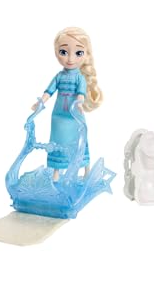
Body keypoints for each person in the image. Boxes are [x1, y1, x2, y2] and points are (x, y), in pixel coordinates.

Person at [32, 27, 103, 181]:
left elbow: (81, 93)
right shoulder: (59, 76)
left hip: (74, 115)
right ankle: (56, 172)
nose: (70, 59)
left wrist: (79, 103)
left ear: (86, 54)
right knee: (57, 141)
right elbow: (49, 91)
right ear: (56, 52)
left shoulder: (79, 78)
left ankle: (86, 168)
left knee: (79, 141)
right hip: (58, 116)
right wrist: (41, 102)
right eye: (63, 52)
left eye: (78, 53)